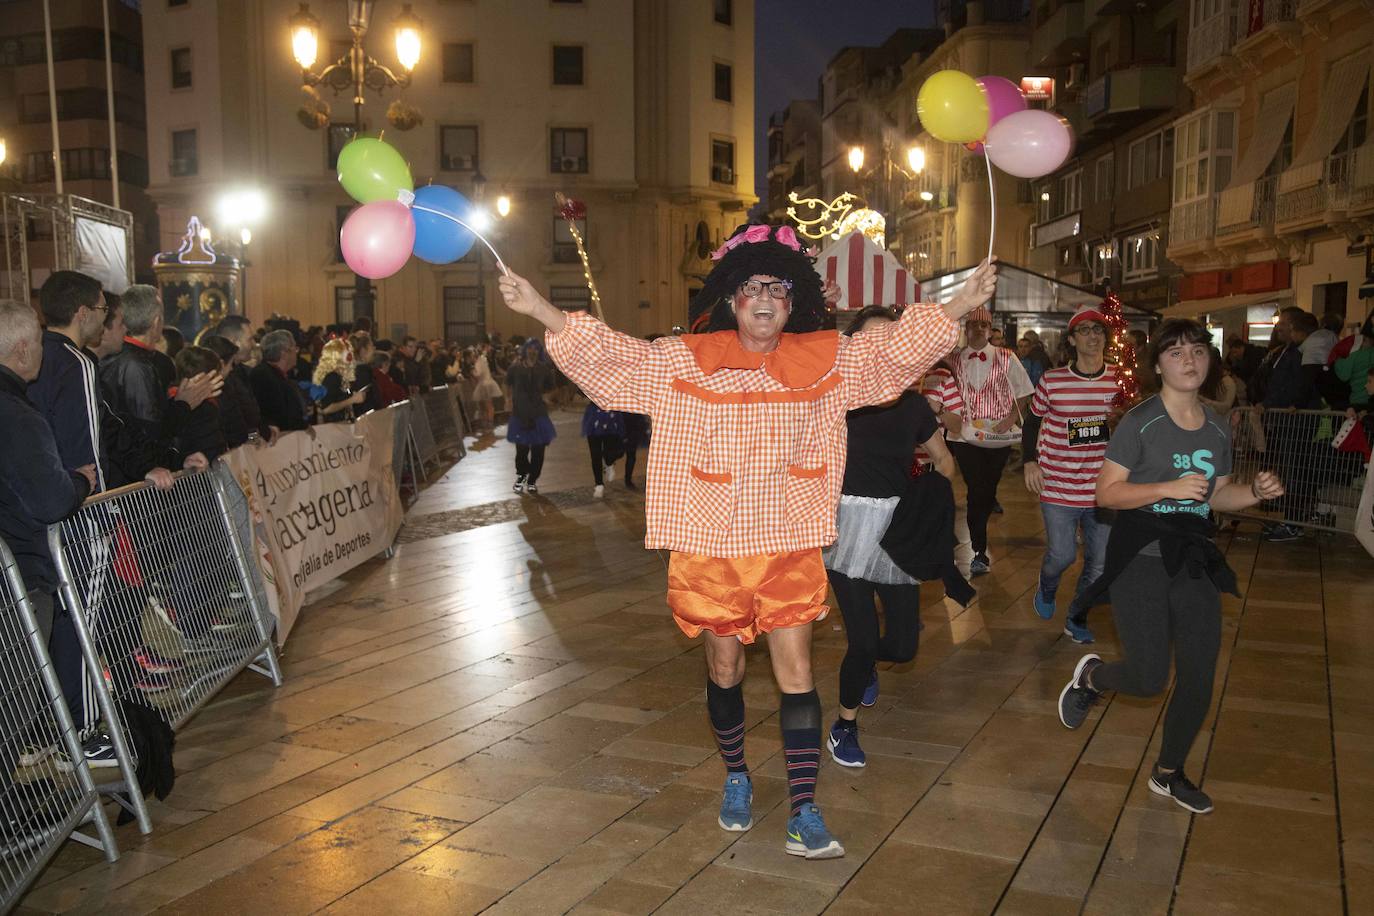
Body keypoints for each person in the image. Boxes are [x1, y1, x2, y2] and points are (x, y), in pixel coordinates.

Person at [498, 222, 996, 860]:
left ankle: (804, 809)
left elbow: (892, 352)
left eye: (780, 288)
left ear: (795, 304)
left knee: (796, 673)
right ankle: (736, 774)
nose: (765, 297)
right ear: (732, 297)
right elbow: (616, 360)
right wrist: (539, 307)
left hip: (787, 541)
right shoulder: (683, 360)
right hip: (708, 547)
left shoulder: (827, 360)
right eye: (752, 286)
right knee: (725, 667)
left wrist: (955, 303)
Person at [1058, 318, 1284, 815]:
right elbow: (1106, 493)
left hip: (1193, 555)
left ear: (1210, 361)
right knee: (1148, 676)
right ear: (1157, 363)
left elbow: (1217, 494)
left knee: (1201, 674)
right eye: (1176, 352)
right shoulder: (1140, 423)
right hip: (1141, 555)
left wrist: (1255, 493)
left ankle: (1168, 772)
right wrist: (1165, 488)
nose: (1189, 360)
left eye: (1198, 351)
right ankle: (1093, 678)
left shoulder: (1217, 426)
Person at [823, 306, 956, 769]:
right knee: (861, 640)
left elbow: (944, 460)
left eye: (891, 338)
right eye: (871, 339)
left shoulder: (913, 404)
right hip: (846, 530)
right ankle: (845, 724)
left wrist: (930, 499)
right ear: (853, 345)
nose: (882, 348)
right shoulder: (837, 396)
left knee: (902, 647)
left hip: (897, 531)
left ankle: (865, 668)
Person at [1022, 304, 1120, 645]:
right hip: (1059, 485)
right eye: (1085, 331)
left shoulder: (1121, 380)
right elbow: (1032, 421)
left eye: (1098, 330)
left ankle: (1077, 617)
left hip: (1104, 488)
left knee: (1100, 562)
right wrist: (1029, 461)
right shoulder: (1053, 380)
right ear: (1072, 340)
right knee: (1062, 555)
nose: (1093, 337)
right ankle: (1047, 587)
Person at [936, 306, 1034, 575]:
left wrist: (1010, 418)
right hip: (963, 436)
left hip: (998, 437)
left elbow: (1024, 392)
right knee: (977, 488)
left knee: (988, 489)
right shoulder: (953, 360)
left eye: (983, 325)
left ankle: (980, 529)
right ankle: (979, 551)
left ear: (990, 331)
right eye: (973, 324)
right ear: (965, 329)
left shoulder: (1007, 357)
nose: (978, 329)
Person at [100, 284, 219, 486]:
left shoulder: (141, 359)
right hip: (139, 476)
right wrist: (183, 404)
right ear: (157, 322)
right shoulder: (136, 365)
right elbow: (149, 430)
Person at [28, 272, 109, 494]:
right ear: (83, 313)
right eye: (103, 310)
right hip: (75, 499)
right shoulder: (76, 363)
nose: (105, 319)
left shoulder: (32, 353)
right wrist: (102, 511)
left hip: (39, 493)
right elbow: (87, 446)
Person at [1249, 306, 1321, 542]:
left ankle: (1294, 522)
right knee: (1289, 469)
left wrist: (1269, 402)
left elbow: (1292, 385)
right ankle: (1291, 519)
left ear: (1292, 325)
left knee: (1296, 470)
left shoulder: (1299, 353)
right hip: (1285, 420)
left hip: (1295, 421)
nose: (1278, 327)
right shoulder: (1289, 351)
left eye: (1282, 323)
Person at [506, 340, 556, 494]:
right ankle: (521, 475)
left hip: (538, 414)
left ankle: (533, 479)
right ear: (525, 350)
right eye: (530, 348)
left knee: (538, 451)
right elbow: (507, 383)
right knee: (521, 451)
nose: (532, 351)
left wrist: (548, 397)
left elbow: (552, 388)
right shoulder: (515, 367)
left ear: (539, 351)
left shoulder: (544, 369)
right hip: (520, 414)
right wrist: (507, 400)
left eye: (535, 349)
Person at [202, 335, 267, 447]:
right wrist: (254, 438)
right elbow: (241, 422)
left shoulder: (224, 385)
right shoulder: (225, 388)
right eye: (231, 364)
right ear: (221, 364)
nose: (232, 369)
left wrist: (254, 437)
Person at [172, 346, 229, 463]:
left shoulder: (172, 402)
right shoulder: (204, 409)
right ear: (208, 377)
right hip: (205, 469)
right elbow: (211, 445)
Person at [251, 329, 311, 432]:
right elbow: (279, 414)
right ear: (284, 353)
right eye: (295, 349)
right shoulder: (263, 376)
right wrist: (302, 425)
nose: (297, 353)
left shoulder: (276, 374)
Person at [313, 338, 367, 423]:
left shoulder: (340, 377)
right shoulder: (332, 377)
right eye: (346, 351)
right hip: (334, 428)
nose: (350, 354)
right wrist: (352, 399)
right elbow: (326, 408)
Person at [582, 400, 625, 498]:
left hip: (612, 417)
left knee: (611, 451)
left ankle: (609, 464)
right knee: (595, 454)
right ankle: (599, 484)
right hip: (593, 419)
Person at [470, 343, 502, 431]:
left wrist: (472, 372)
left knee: (488, 405)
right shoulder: (482, 360)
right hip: (487, 383)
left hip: (485, 384)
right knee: (486, 405)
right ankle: (488, 421)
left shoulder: (478, 362)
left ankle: (489, 422)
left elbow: (478, 374)